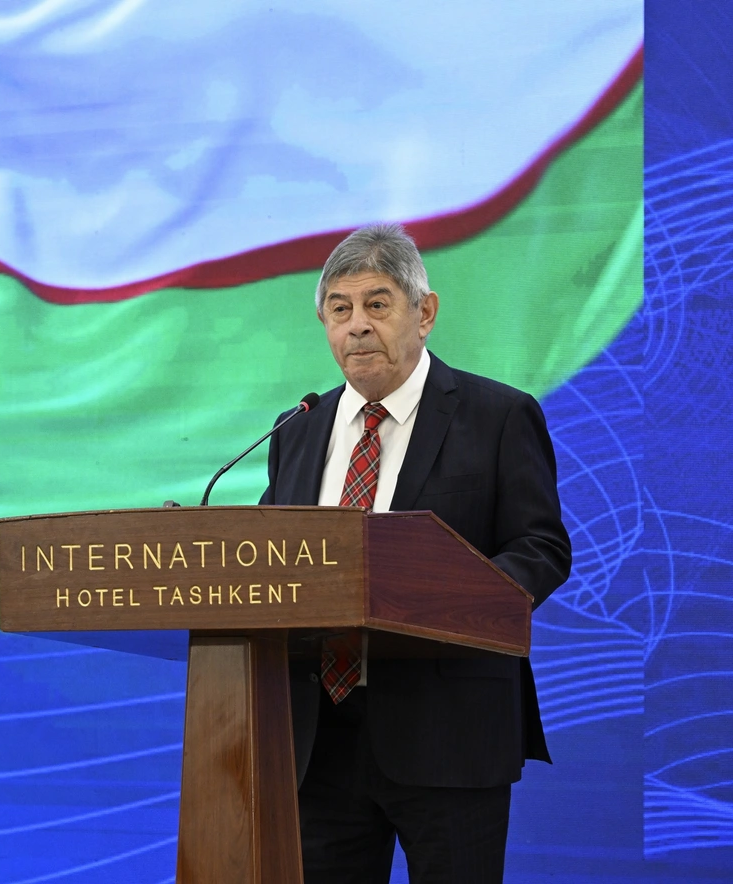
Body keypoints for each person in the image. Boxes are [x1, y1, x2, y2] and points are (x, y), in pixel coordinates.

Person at [259, 222, 572, 883]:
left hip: (450, 731)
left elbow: (540, 547)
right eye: (339, 309)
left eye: (377, 304)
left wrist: (439, 603)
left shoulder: (498, 416)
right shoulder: (297, 430)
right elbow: (270, 563)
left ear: (424, 313)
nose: (357, 326)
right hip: (318, 738)